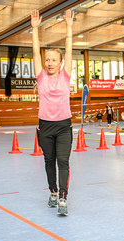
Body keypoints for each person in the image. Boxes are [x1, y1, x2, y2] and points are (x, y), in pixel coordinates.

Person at [31, 9, 74, 216]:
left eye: (53, 60)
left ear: (60, 63)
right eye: (47, 59)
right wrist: (35, 29)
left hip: (64, 125)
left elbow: (69, 50)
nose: (49, 63)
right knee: (49, 161)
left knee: (63, 161)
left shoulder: (65, 77)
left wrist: (68, 28)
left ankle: (64, 197)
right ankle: (53, 192)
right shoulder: (41, 77)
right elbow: (34, 52)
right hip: (45, 125)